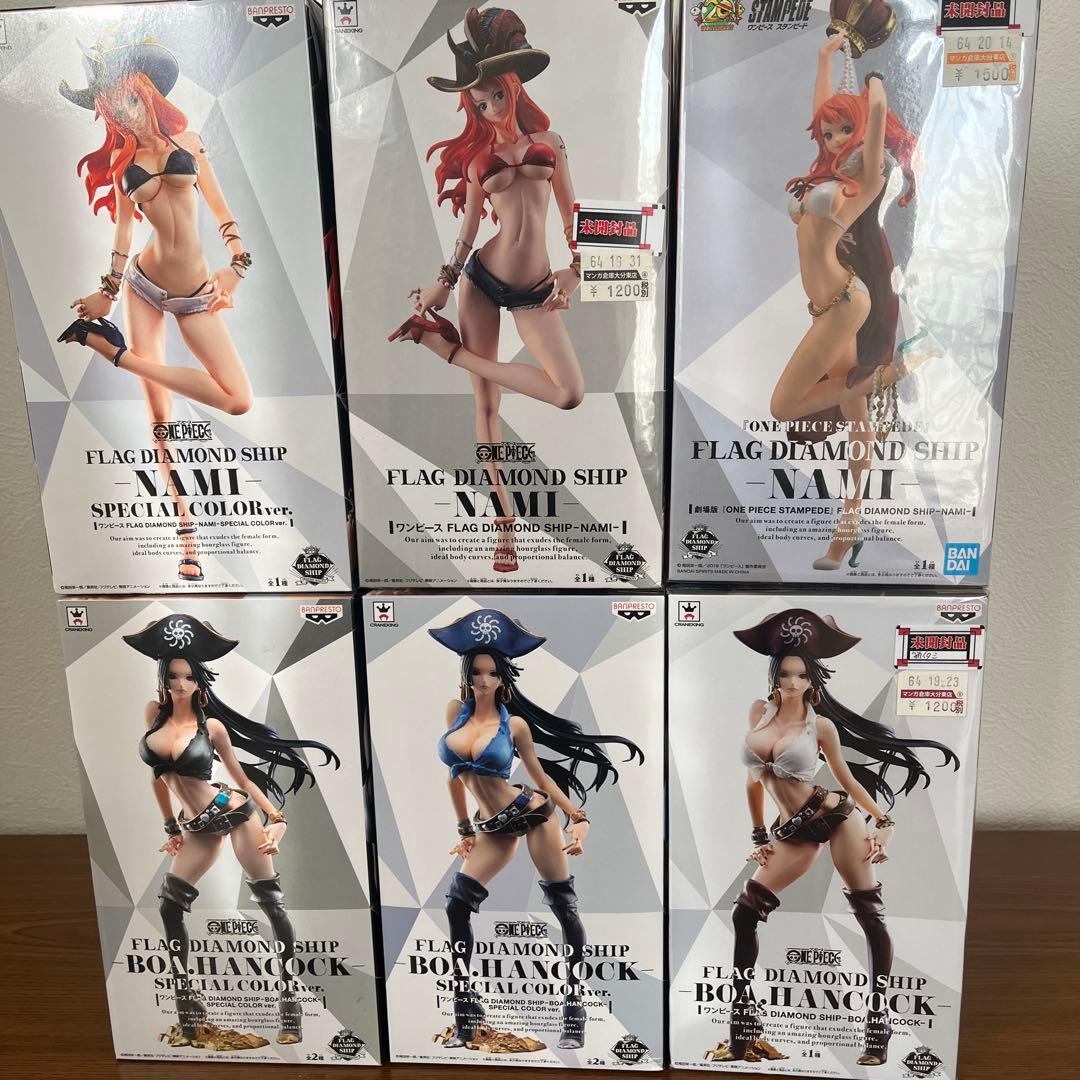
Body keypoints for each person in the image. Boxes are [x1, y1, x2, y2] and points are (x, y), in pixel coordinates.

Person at [388, 7, 585, 573]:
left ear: (514, 87)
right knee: (487, 404)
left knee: (569, 393)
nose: (491, 109)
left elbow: (574, 215)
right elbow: (468, 233)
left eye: (497, 96)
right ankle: (506, 530)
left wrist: (577, 270)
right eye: (480, 103)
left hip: (536, 288)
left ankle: (448, 352)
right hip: (481, 280)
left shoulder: (551, 142)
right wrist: (442, 285)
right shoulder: (479, 162)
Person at [720, 609, 959, 1066]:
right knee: (745, 914)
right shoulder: (758, 713)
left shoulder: (821, 726)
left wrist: (883, 821)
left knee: (869, 913)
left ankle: (878, 1027)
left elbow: (845, 779)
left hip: (836, 816)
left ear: (813, 680)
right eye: (784, 673)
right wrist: (757, 833)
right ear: (773, 674)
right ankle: (744, 1029)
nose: (792, 682)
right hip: (792, 833)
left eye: (800, 675)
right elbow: (753, 781)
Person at [56, 39, 254, 582]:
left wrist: (236, 266)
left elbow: (223, 212)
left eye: (129, 100)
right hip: (143, 286)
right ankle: (187, 535)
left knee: (238, 399)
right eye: (112, 109)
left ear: (148, 92)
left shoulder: (189, 143)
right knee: (160, 418)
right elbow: (123, 237)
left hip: (196, 293)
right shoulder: (124, 166)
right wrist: (106, 292)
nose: (124, 115)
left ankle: (116, 355)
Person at [429, 607, 644, 1050]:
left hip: (532, 813)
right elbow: (454, 775)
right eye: (476, 672)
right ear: (466, 674)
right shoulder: (454, 713)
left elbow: (540, 776)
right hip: (491, 828)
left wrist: (577, 817)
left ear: (503, 678)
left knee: (563, 906)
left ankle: (574, 1011)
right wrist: (464, 828)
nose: (483, 680)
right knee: (456, 906)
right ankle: (467, 1016)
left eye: (492, 673)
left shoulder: (515, 725)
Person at [123, 613, 339, 1046]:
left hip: (234, 812)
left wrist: (277, 819)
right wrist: (170, 826)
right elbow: (158, 777)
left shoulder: (212, 727)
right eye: (172, 675)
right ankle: (189, 1008)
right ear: (162, 677)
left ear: (199, 681)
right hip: (196, 827)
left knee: (270, 903)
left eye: (188, 676)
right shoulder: (153, 715)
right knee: (169, 906)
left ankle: (290, 1005)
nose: (180, 684)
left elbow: (240, 778)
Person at [777, 31, 933, 570]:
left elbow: (870, 126)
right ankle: (849, 524)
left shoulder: (864, 180)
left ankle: (898, 368)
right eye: (829, 131)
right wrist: (826, 57)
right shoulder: (825, 173)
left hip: (845, 301)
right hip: (829, 303)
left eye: (847, 130)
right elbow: (824, 113)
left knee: (783, 406)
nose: (836, 138)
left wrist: (877, 86)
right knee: (851, 404)